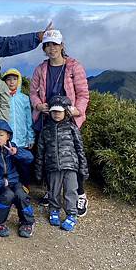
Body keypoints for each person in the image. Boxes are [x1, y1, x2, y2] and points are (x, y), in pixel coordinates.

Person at [29, 28, 90, 216]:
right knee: (49, 156)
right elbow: (33, 92)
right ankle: (52, 191)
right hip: (48, 120)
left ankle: (80, 194)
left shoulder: (74, 67)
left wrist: (77, 111)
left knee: (71, 158)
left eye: (54, 44)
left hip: (69, 122)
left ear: (62, 45)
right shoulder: (41, 69)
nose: (51, 48)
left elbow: (83, 94)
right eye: (47, 45)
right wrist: (39, 106)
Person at [35, 95, 89, 232]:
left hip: (71, 166)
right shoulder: (45, 130)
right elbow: (40, 152)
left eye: (59, 111)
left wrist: (83, 168)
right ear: (49, 112)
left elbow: (79, 149)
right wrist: (39, 171)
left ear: (66, 111)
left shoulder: (72, 128)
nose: (56, 114)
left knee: (71, 190)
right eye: (54, 111)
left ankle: (72, 214)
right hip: (52, 166)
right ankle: (54, 210)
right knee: (53, 190)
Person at [2, 68, 35, 189]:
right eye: (8, 79)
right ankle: (10, 186)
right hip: (8, 140)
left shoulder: (24, 98)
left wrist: (30, 137)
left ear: (19, 81)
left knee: (23, 164)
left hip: (22, 139)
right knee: (9, 163)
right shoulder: (2, 97)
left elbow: (28, 119)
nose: (11, 82)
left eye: (14, 79)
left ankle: (25, 185)